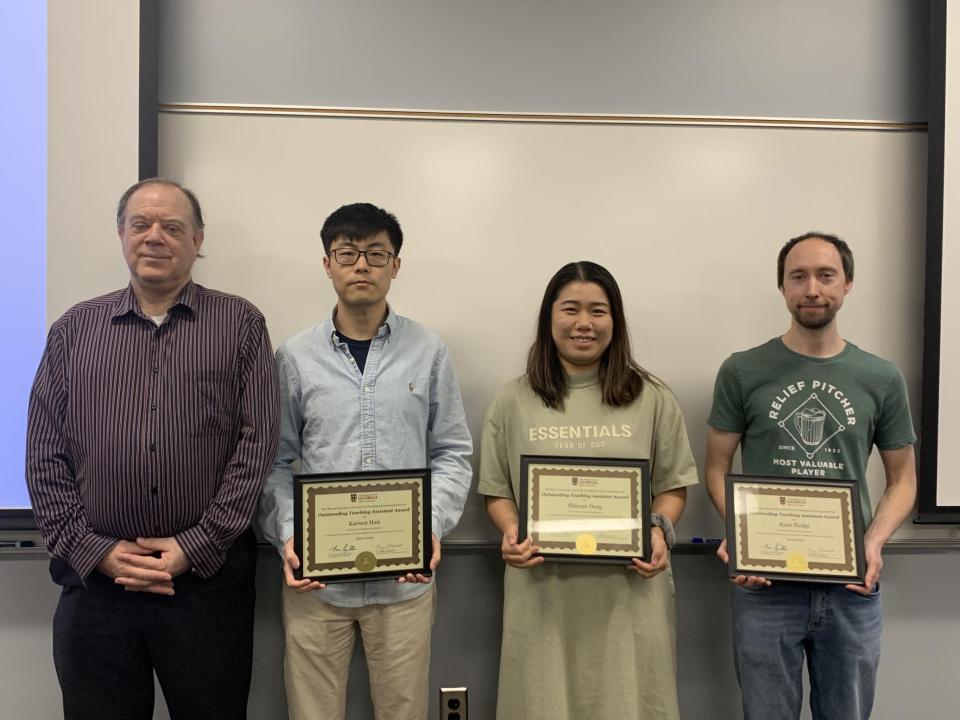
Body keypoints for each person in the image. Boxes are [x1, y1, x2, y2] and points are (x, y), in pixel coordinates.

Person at [25, 178, 279, 720]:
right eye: (140, 224)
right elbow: (44, 454)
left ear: (197, 239)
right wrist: (94, 550)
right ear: (121, 234)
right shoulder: (74, 330)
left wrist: (197, 544)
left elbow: (256, 447)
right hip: (97, 587)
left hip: (206, 586)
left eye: (172, 226)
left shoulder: (241, 325)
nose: (155, 237)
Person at [258, 202, 473, 720]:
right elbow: (275, 462)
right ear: (327, 263)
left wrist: (430, 526)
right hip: (316, 584)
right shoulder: (293, 357)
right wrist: (290, 536)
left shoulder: (429, 351)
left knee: (403, 712)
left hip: (404, 584)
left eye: (376, 253)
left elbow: (453, 452)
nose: (362, 265)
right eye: (347, 253)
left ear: (395, 265)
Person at [705, 232, 917, 720]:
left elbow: (902, 479)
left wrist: (875, 542)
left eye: (826, 275)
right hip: (764, 587)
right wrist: (739, 534)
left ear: (848, 283)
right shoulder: (742, 370)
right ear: (782, 287)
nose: (812, 289)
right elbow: (716, 467)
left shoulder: (880, 377)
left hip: (850, 587)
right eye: (798, 277)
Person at [478, 260, 698, 720]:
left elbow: (673, 486)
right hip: (542, 590)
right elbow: (496, 490)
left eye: (598, 311)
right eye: (570, 309)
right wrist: (511, 529)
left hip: (631, 592)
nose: (584, 323)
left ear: (614, 321)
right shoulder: (512, 399)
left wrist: (659, 530)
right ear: (549, 317)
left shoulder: (653, 396)